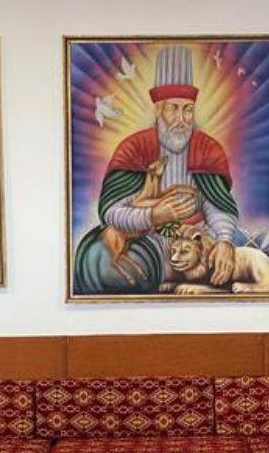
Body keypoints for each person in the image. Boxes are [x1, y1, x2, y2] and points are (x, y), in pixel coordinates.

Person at [73, 45, 240, 294]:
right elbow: (111, 212)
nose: (182, 119)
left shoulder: (208, 148)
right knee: (99, 265)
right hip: (143, 240)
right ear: (158, 109)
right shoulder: (134, 147)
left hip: (194, 242)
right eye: (174, 108)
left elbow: (217, 204)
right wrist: (153, 216)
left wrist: (225, 241)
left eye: (188, 109)